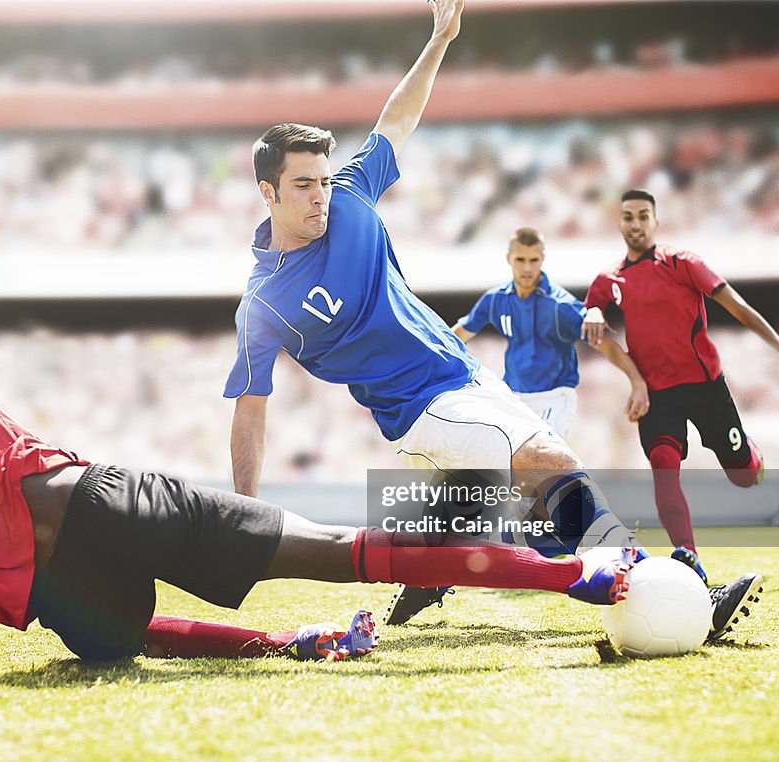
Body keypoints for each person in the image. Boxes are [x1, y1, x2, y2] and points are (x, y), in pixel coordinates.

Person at [0, 242, 643, 670]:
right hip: (90, 497)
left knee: (120, 636)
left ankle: (289, 641)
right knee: (338, 550)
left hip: (55, 597)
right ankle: (578, 577)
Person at [223, 0, 761, 635]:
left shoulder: (349, 199)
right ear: (268, 191)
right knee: (548, 461)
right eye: (303, 186)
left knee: (476, 509)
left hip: (465, 377)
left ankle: (426, 577)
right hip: (418, 405)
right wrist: (246, 515)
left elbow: (394, 123)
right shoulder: (263, 302)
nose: (320, 195)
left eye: (321, 179)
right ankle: (665, 593)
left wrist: (440, 39)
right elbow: (251, 408)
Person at [583, 188, 779, 587]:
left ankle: (749, 457)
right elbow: (596, 331)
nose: (635, 223)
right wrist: (634, 379)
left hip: (706, 388)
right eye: (628, 217)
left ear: (655, 221)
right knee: (664, 470)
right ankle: (689, 556)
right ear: (619, 223)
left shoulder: (683, 262)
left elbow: (737, 307)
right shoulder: (608, 280)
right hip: (656, 396)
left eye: (643, 216)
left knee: (743, 475)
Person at [451, 227, 649, 439]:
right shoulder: (495, 300)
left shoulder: (561, 306)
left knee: (543, 455)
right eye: (520, 259)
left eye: (533, 260)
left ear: (542, 259)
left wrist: (637, 381)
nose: (527, 267)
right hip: (515, 398)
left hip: (554, 399)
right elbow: (459, 334)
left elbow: (608, 346)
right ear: (509, 258)